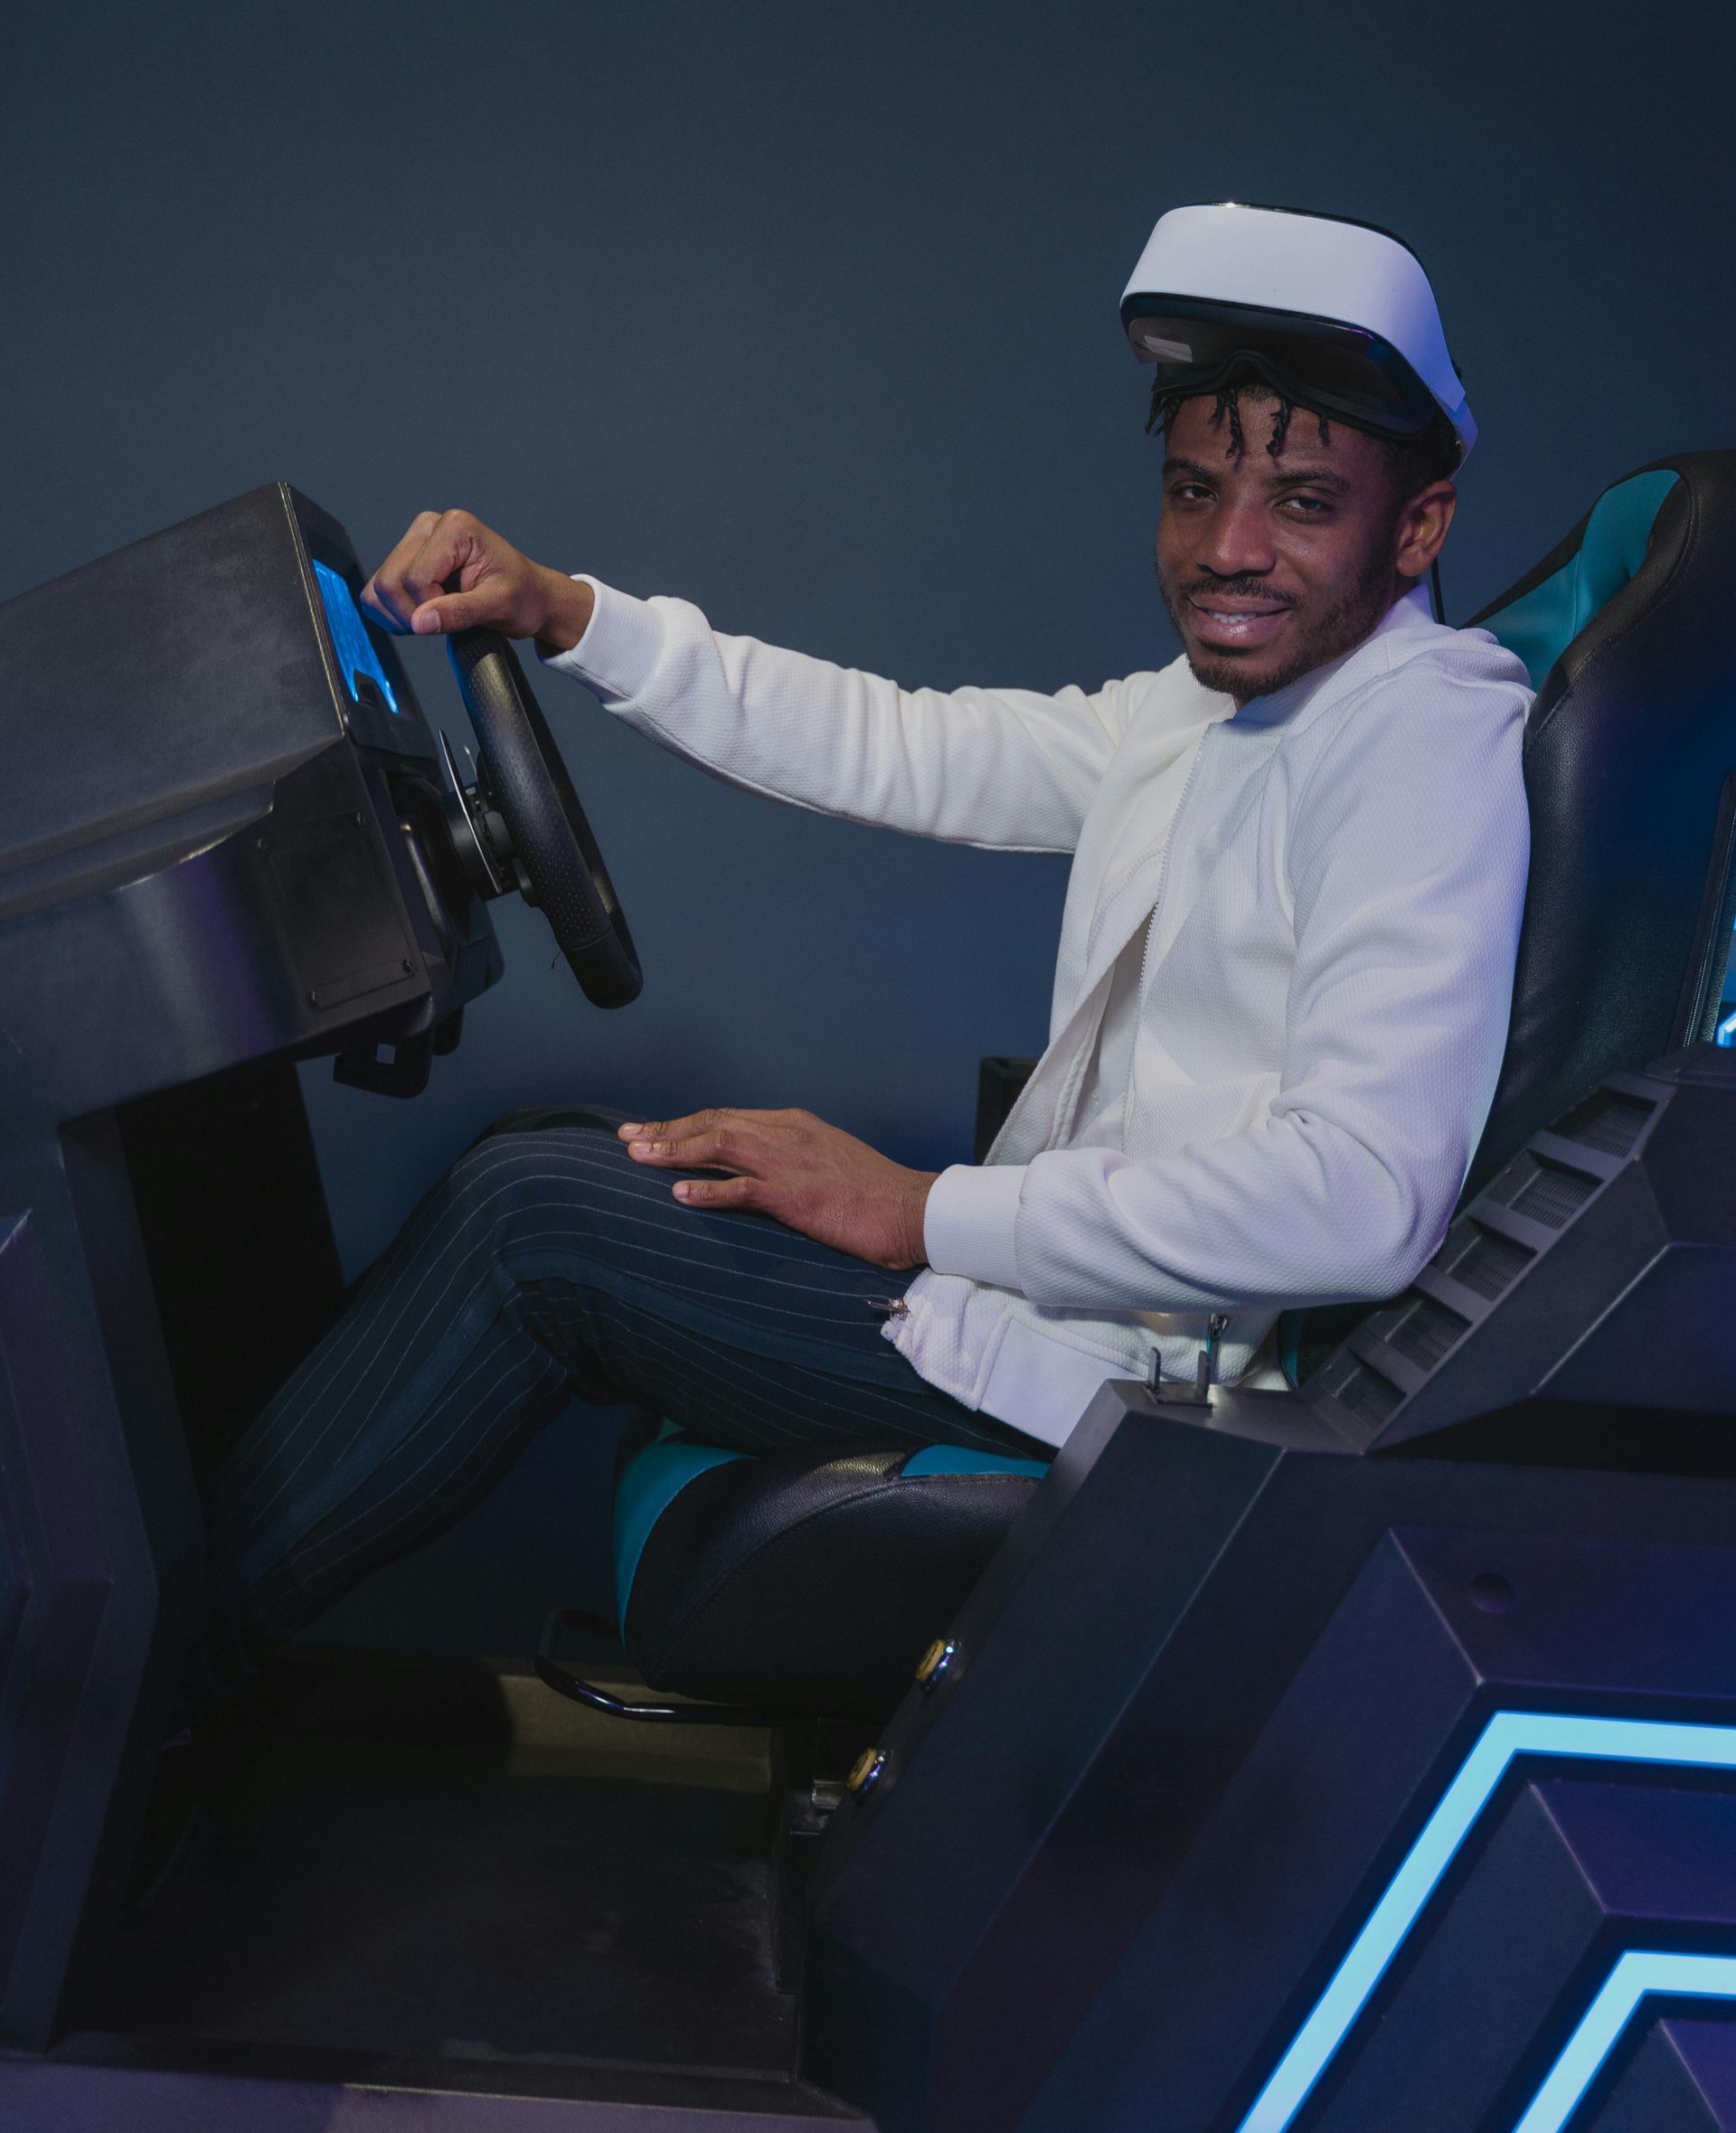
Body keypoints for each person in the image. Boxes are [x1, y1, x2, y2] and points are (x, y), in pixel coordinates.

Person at [210, 203, 1532, 1642]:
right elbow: (912, 746)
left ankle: (120, 1697)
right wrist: (575, 616)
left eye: (1302, 503)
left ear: (1421, 525)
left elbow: (1361, 1195)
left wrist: (920, 1210)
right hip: (1074, 1316)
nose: (1229, 549)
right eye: (1195, 490)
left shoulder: (1420, 742)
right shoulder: (1234, 708)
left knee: (538, 1224)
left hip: (1156, 1395)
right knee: (538, 1153)